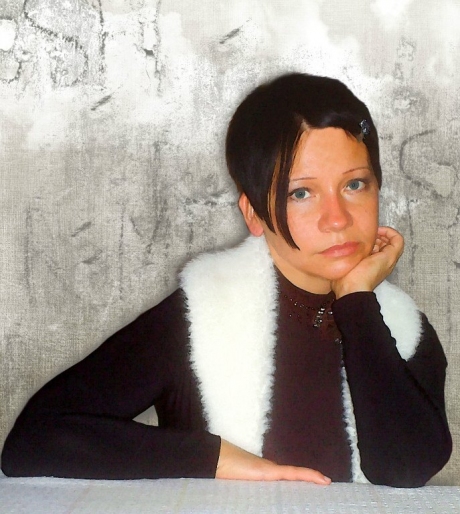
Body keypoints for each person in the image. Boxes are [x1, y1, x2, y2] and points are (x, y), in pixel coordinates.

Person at [1, 73, 452, 487]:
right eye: (301, 193)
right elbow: (33, 440)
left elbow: (406, 469)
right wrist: (212, 457)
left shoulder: (404, 329)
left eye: (355, 185)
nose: (337, 219)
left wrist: (356, 302)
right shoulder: (202, 313)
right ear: (253, 214)